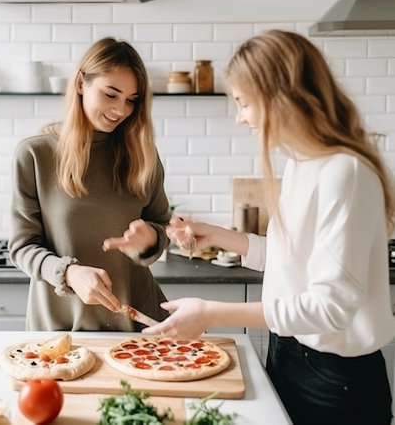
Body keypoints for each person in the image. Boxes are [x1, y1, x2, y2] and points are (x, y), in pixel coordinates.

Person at [143, 30, 395, 424]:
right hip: (289, 356)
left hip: (334, 381)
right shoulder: (302, 163)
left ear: (281, 96)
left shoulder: (344, 173)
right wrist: (224, 237)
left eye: (243, 103)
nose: (240, 117)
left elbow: (329, 307)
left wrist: (210, 312)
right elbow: (290, 264)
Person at [9, 37, 171, 332]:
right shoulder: (35, 155)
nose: (121, 110)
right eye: (111, 94)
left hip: (137, 327)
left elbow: (162, 228)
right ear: (82, 83)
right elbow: (22, 247)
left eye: (131, 100)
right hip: (61, 329)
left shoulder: (144, 155)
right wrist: (68, 272)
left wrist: (151, 238)